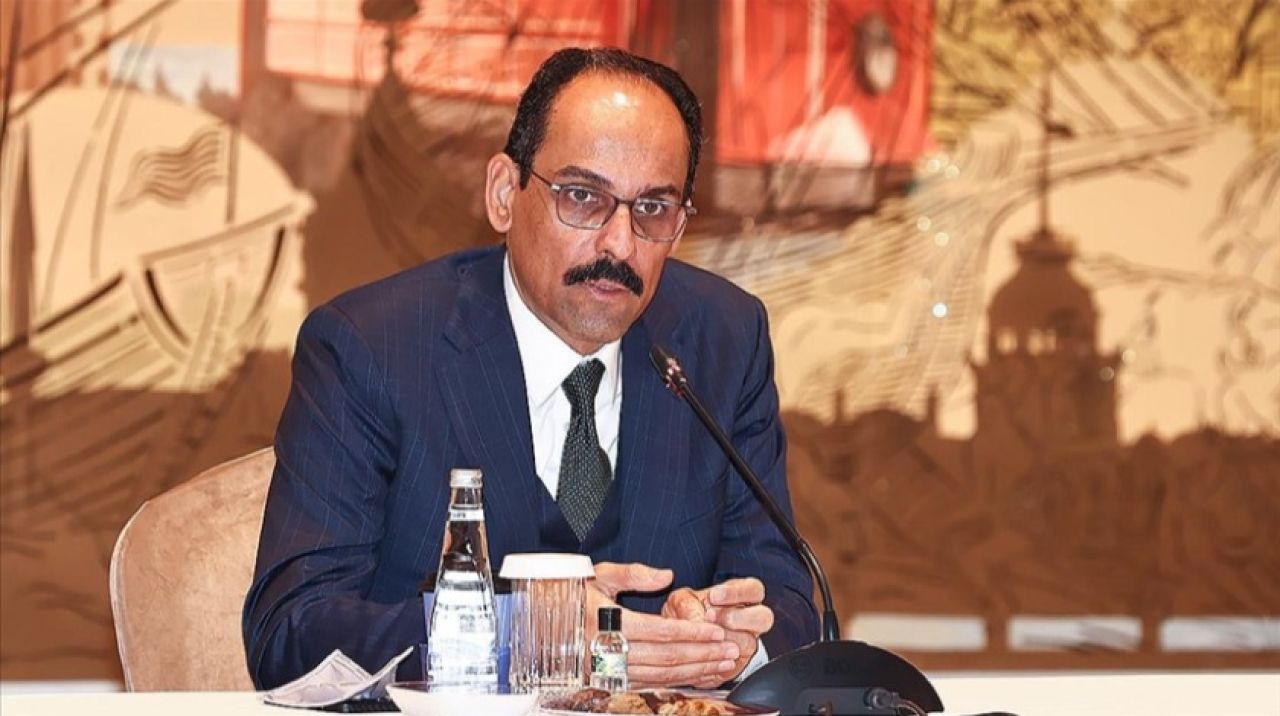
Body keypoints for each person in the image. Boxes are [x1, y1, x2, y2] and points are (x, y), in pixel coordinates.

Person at [242, 47, 817, 690]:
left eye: (653, 209)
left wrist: (725, 639)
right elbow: (291, 632)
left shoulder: (724, 340)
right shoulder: (372, 348)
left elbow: (792, 602)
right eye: (583, 197)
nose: (619, 243)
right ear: (503, 196)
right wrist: (525, 636)